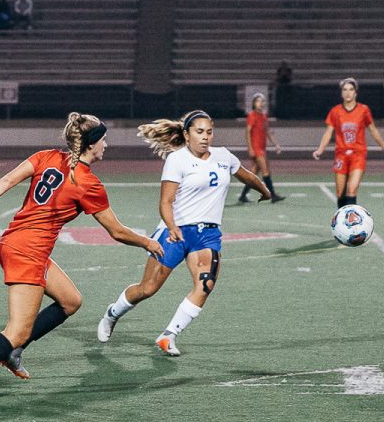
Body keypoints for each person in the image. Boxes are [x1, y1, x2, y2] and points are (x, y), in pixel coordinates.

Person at [0, 112, 164, 401]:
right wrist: (149, 243)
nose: (106, 144)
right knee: (17, 330)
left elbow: (7, 180)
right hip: (27, 251)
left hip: (20, 244)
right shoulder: (87, 183)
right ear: (92, 144)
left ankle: (13, 352)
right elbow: (116, 231)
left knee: (70, 301)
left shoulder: (46, 157)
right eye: (103, 139)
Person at [96, 110, 271, 357]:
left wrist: (264, 190)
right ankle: (112, 313)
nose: (205, 137)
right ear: (187, 135)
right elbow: (165, 202)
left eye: (209, 131)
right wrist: (171, 226)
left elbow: (245, 175)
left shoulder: (223, 156)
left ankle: (168, 335)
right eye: (199, 132)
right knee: (148, 288)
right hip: (174, 231)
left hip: (207, 234)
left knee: (205, 284)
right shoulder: (177, 160)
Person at [312, 78, 384, 208]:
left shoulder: (363, 110)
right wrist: (320, 149)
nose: (348, 93)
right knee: (340, 193)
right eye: (345, 90)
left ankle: (351, 225)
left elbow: (373, 130)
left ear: (356, 92)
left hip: (358, 154)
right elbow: (328, 132)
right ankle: (342, 222)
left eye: (351, 89)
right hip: (341, 155)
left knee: (352, 189)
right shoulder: (335, 111)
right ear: (341, 93)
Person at [239, 93, 285, 204]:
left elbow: (267, 132)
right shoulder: (252, 115)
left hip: (262, 148)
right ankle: (273, 195)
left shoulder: (264, 116)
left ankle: (243, 196)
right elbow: (248, 132)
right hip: (256, 148)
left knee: (253, 173)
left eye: (262, 101)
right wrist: (250, 148)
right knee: (265, 170)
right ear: (254, 103)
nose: (260, 103)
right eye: (258, 101)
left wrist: (276, 144)